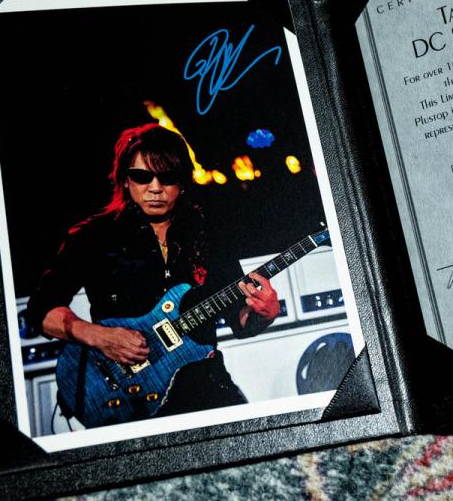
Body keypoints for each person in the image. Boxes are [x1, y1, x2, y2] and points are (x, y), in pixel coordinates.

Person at [25, 123, 281, 420]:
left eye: (167, 177)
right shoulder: (93, 236)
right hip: (128, 401)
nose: (155, 188)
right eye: (142, 176)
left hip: (205, 389)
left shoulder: (207, 233)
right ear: (124, 179)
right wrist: (99, 336)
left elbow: (240, 321)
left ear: (182, 181)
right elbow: (40, 311)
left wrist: (265, 313)